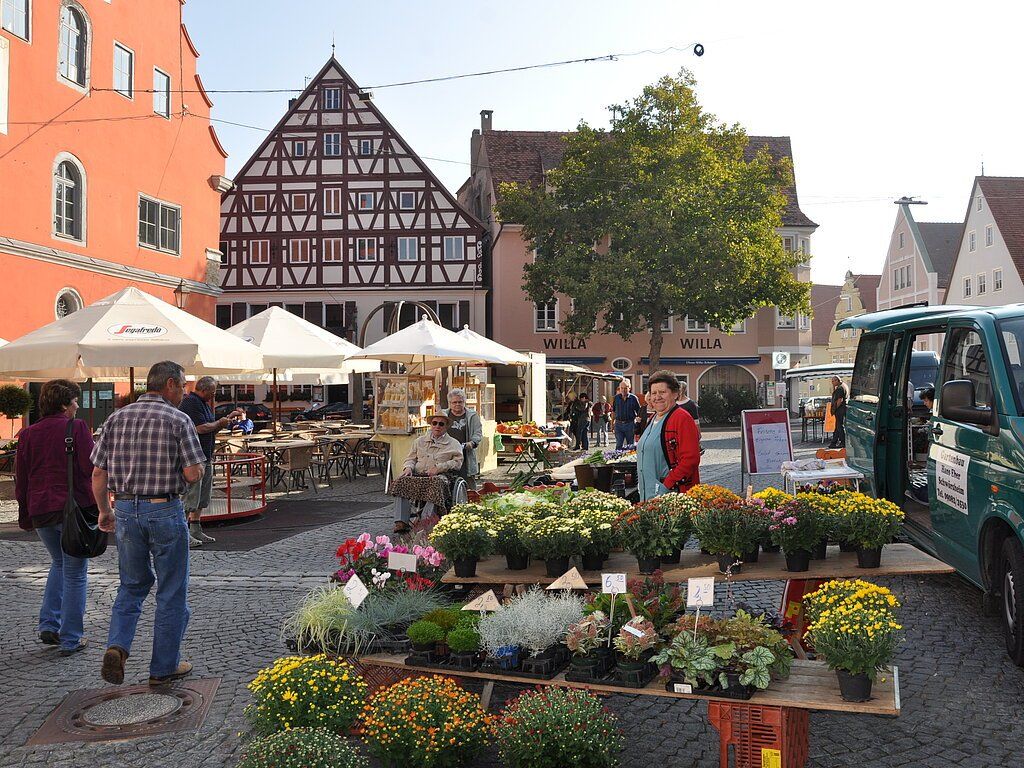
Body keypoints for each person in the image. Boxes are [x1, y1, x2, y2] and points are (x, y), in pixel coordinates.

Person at [93, 361, 207, 687]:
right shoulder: (178, 420)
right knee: (171, 591)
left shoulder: (115, 419)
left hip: (126, 510)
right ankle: (163, 666)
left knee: (131, 585)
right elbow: (192, 473)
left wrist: (104, 512)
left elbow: (98, 474)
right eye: (183, 386)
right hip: (164, 509)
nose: (185, 392)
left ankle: (118, 645)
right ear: (170, 384)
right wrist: (195, 472)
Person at [15, 379, 95, 656]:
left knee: (59, 564)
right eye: (74, 400)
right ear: (64, 403)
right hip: (70, 510)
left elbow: (21, 479)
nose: (77, 405)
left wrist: (24, 514)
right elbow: (89, 469)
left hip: (40, 511)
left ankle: (49, 623)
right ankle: (71, 637)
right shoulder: (77, 428)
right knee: (75, 572)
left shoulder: (28, 434)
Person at [180, 377, 242, 548]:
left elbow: (211, 427)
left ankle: (195, 528)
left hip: (206, 455)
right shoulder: (191, 403)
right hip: (194, 457)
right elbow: (200, 428)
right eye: (213, 392)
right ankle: (183, 533)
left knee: (202, 497)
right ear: (204, 389)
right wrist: (218, 423)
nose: (214, 395)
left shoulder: (204, 403)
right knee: (190, 496)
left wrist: (225, 420)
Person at [389, 413, 463, 534]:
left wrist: (439, 468)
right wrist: (408, 468)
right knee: (401, 481)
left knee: (436, 483)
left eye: (441, 424)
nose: (437, 426)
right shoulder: (419, 441)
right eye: (434, 423)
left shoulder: (454, 443)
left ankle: (426, 520)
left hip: (441, 476)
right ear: (431, 425)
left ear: (446, 426)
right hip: (419, 474)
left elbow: (457, 463)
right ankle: (401, 521)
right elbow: (411, 459)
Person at [635, 370, 701, 501]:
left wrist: (666, 485)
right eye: (654, 393)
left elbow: (691, 459)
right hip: (649, 494)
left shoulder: (682, 418)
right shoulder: (654, 418)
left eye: (662, 392)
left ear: (675, 394)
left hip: (669, 496)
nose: (657, 397)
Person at [443, 388, 483, 490]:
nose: (457, 404)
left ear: (464, 402)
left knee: (468, 480)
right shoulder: (443, 415)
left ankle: (471, 500)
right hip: (446, 453)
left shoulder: (472, 415)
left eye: (460, 402)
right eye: (454, 402)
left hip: (465, 453)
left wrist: (472, 443)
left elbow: (477, 433)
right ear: (450, 403)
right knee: (447, 479)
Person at [612, 379, 642, 450]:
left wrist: (638, 424)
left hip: (630, 424)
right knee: (619, 445)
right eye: (622, 388)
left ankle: (629, 460)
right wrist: (612, 424)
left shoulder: (633, 398)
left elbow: (639, 412)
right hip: (618, 424)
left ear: (629, 388)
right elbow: (613, 411)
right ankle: (618, 459)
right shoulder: (616, 398)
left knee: (630, 445)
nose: (623, 390)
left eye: (625, 388)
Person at [828, 376, 849, 449]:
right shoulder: (843, 386)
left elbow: (840, 399)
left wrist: (835, 408)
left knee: (839, 426)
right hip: (842, 408)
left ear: (837, 380)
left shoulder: (840, 388)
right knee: (837, 426)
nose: (832, 383)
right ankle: (833, 442)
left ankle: (843, 442)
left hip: (840, 409)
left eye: (833, 381)